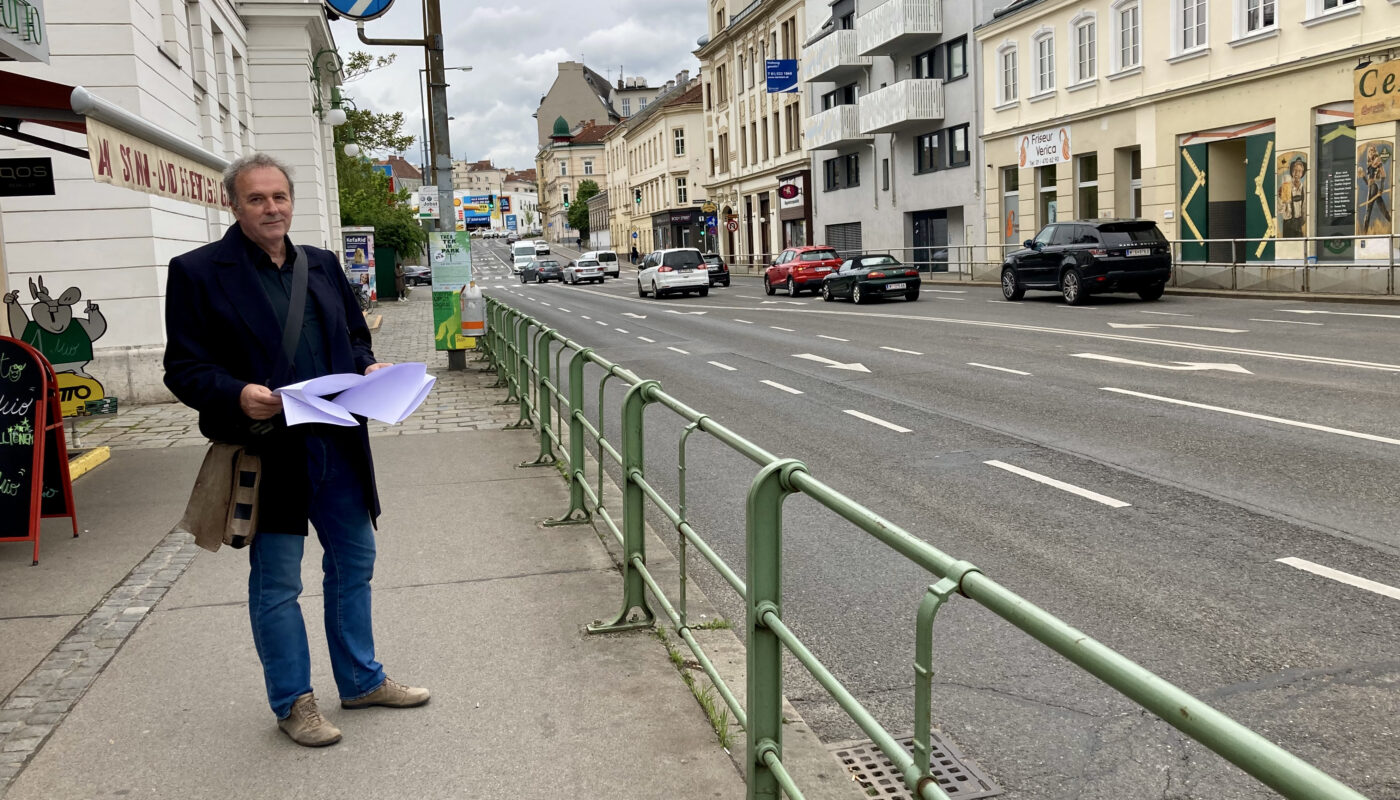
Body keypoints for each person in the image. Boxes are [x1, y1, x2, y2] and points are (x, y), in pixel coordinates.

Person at [163, 153, 428, 748]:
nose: (271, 208)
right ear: (232, 204)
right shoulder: (199, 271)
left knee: (355, 563)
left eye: (279, 196)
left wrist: (369, 367)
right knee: (279, 581)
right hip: (269, 453)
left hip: (337, 441)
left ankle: (361, 680)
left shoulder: (323, 265)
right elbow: (182, 368)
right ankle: (294, 702)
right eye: (256, 199)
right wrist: (237, 394)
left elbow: (354, 338)